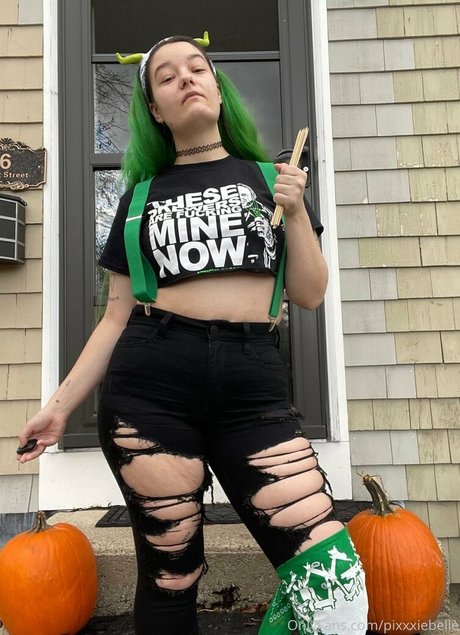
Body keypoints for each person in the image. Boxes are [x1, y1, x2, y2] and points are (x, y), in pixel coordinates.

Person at [17, 34, 368, 635]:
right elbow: (115, 317)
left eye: (197, 67)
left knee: (332, 583)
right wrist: (59, 408)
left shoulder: (271, 180)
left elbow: (309, 294)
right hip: (150, 388)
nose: (185, 78)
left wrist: (295, 212)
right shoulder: (138, 199)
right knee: (171, 576)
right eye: (166, 76)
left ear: (218, 89)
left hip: (253, 389)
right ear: (156, 109)